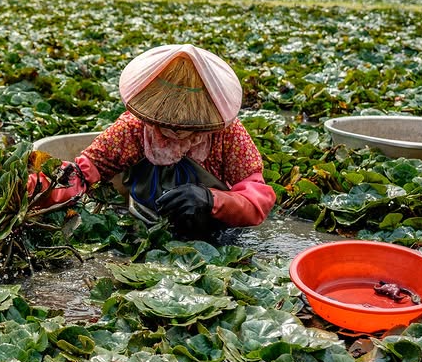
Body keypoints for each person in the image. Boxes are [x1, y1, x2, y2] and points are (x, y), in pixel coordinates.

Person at [28, 43, 276, 237]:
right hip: (143, 225)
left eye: (188, 127)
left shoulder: (227, 134)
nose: (176, 132)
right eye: (166, 124)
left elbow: (256, 198)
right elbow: (82, 174)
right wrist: (31, 187)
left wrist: (211, 199)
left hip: (212, 230)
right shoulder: (134, 128)